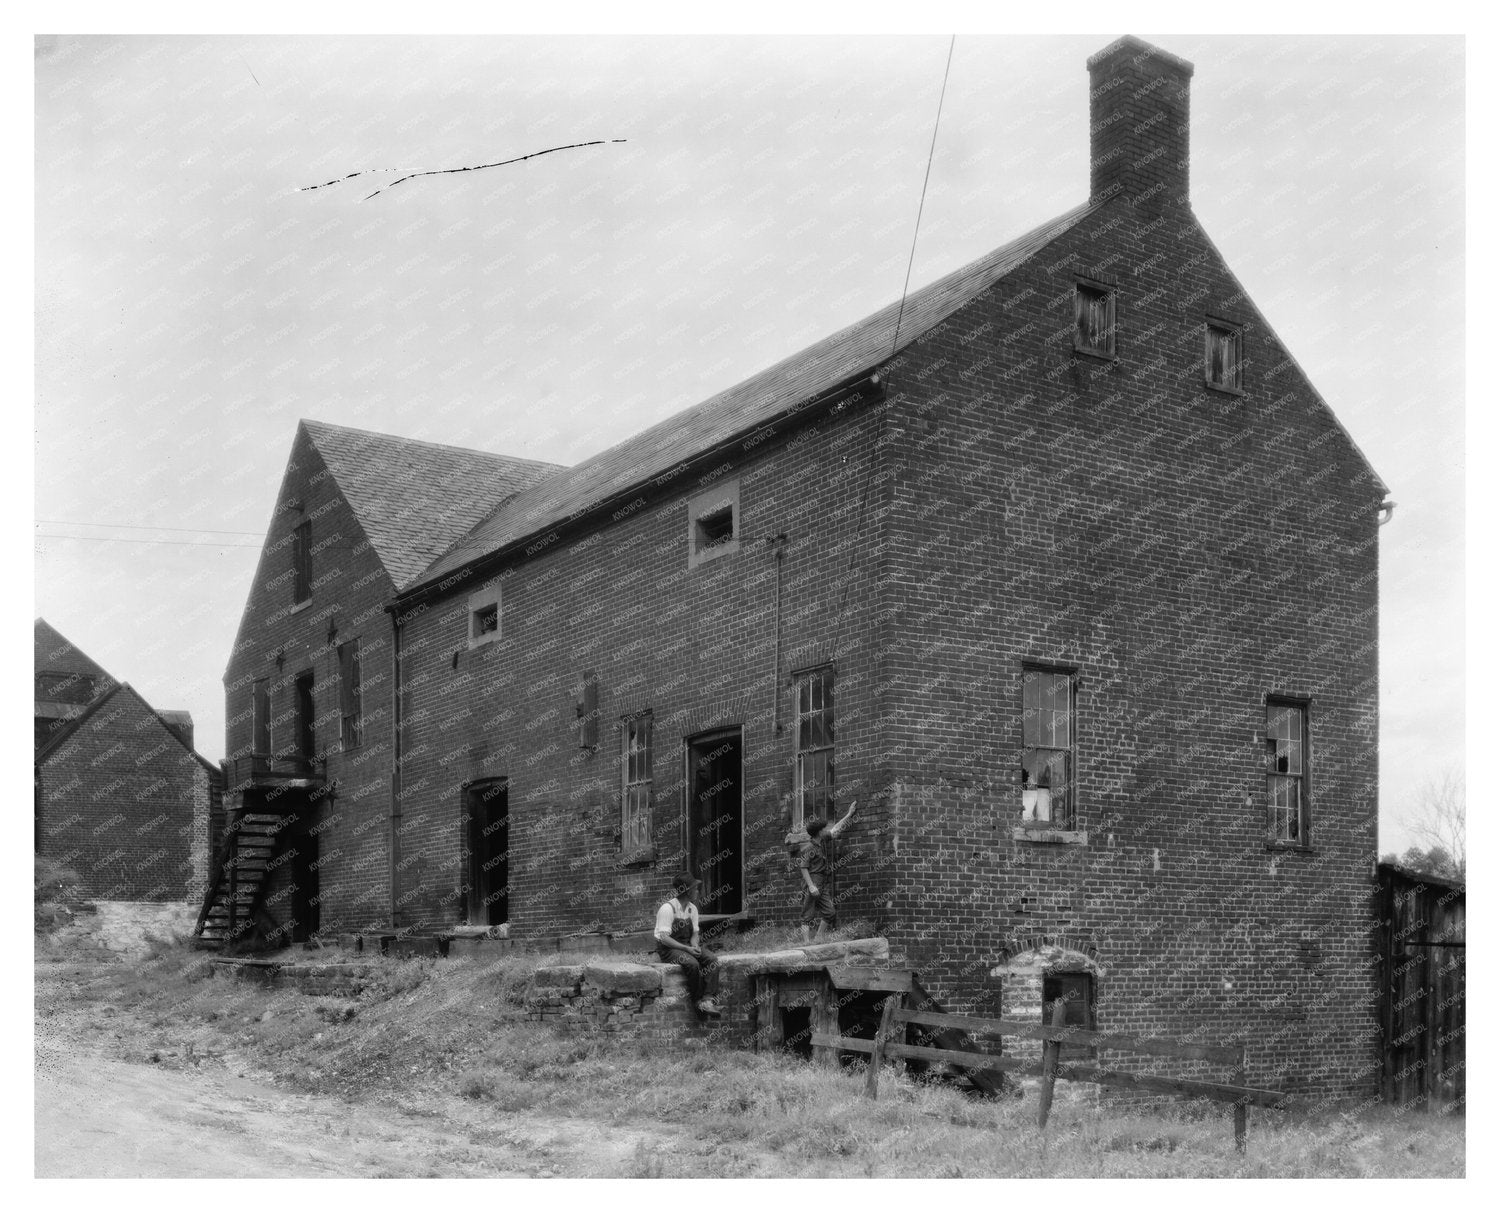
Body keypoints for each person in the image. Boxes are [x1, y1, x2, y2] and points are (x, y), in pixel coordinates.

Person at [654, 873, 721, 1017]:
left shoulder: (692, 909)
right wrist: (686, 949)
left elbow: (695, 933)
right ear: (687, 891)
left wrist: (694, 945)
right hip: (668, 949)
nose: (697, 891)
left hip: (686, 944)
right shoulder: (667, 909)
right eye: (695, 889)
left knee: (712, 960)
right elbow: (664, 938)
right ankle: (697, 1001)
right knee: (692, 964)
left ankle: (708, 1000)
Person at [799, 800, 856, 943]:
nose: (825, 830)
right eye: (823, 829)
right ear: (818, 832)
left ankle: (818, 937)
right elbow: (803, 867)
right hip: (812, 882)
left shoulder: (822, 840)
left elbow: (835, 829)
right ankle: (806, 943)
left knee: (830, 912)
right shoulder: (809, 848)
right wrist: (811, 886)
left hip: (822, 884)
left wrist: (849, 814)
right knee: (807, 914)